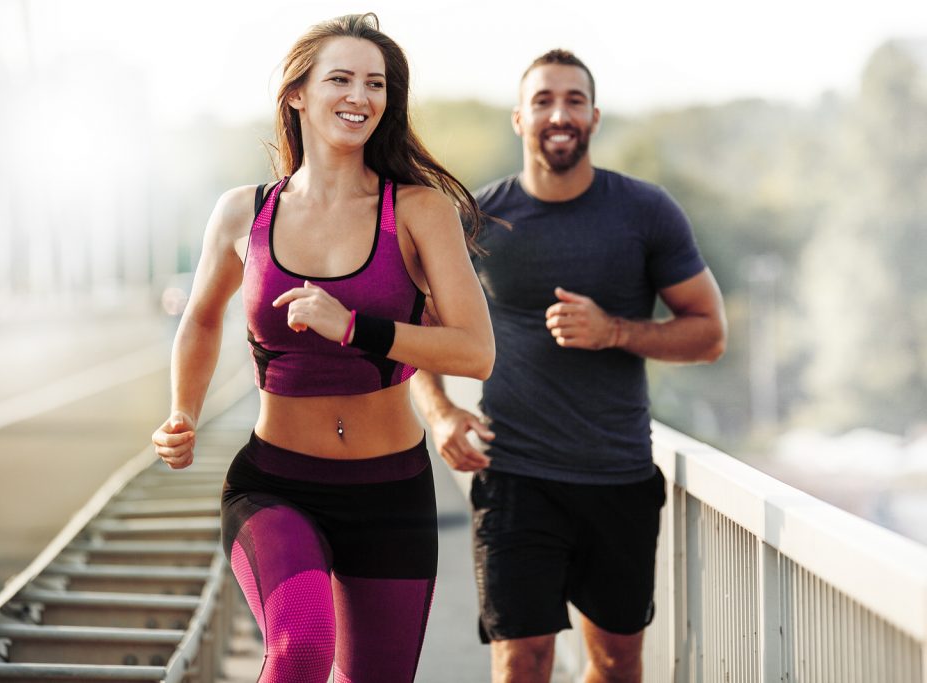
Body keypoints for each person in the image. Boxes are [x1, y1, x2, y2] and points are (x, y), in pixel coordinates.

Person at [151, 13, 494, 683]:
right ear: (297, 94)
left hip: (390, 492)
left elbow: (476, 351)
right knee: (301, 646)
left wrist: (354, 327)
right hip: (276, 485)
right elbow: (199, 319)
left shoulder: (420, 211)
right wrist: (182, 411)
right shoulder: (242, 212)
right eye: (340, 78)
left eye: (376, 83)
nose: (360, 97)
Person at [412, 49, 727, 683]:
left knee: (614, 666)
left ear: (595, 116)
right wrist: (442, 412)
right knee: (521, 662)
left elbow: (709, 334)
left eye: (574, 101)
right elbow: (418, 333)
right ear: (518, 119)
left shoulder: (645, 211)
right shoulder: (478, 220)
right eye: (544, 101)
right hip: (515, 479)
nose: (560, 113)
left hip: (618, 477)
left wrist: (612, 330)